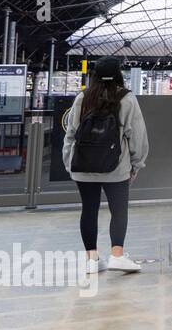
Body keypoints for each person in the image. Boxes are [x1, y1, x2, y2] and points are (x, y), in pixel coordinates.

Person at [61, 57, 150, 275]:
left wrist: (69, 162)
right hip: (116, 167)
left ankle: (92, 259)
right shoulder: (126, 98)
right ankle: (117, 256)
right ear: (119, 74)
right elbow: (137, 136)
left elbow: (71, 133)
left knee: (88, 210)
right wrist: (136, 164)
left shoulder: (83, 97)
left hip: (82, 166)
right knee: (118, 210)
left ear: (95, 75)